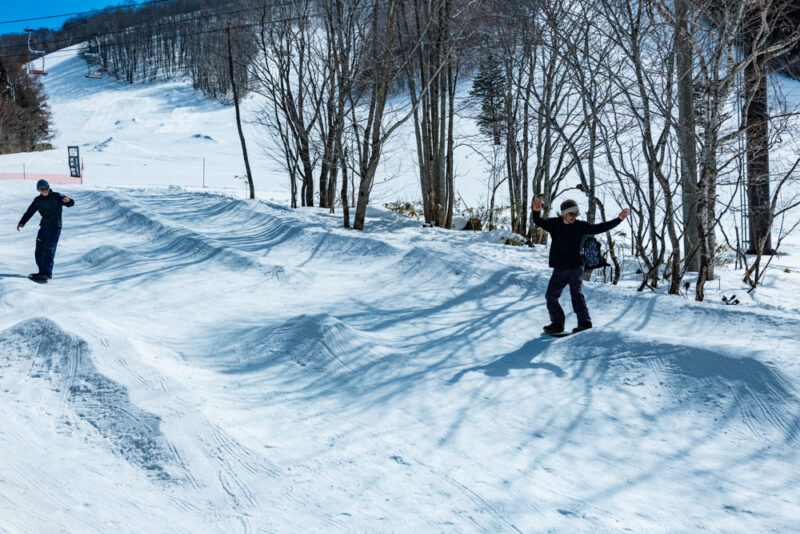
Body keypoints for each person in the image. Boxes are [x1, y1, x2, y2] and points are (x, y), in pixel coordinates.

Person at [531, 197, 629, 334]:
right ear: (564, 213)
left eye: (576, 214)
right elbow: (538, 221)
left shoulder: (581, 226)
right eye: (572, 214)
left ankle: (584, 324)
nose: (574, 217)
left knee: (576, 294)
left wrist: (618, 219)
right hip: (560, 268)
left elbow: (600, 228)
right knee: (551, 296)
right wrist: (536, 211)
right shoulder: (554, 224)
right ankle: (557, 324)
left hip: (576, 266)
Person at [17, 179, 75, 282]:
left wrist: (69, 201)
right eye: (42, 189)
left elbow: (70, 203)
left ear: (49, 188)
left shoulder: (57, 196)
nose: (45, 191)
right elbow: (29, 212)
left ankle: (47, 274)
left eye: (46, 188)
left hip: (55, 228)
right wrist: (22, 222)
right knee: (39, 251)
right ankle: (41, 272)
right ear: (38, 190)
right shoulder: (37, 200)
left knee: (48, 249)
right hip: (44, 228)